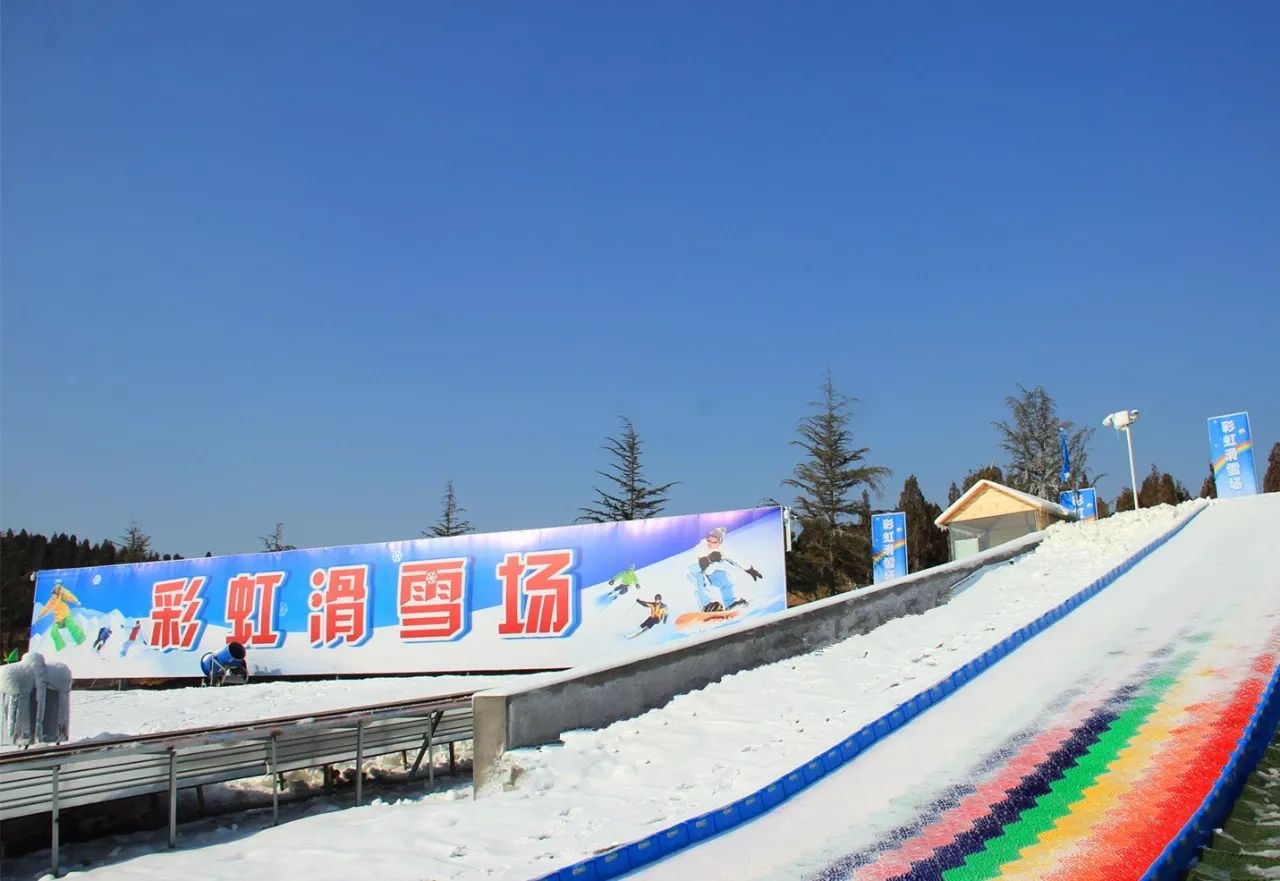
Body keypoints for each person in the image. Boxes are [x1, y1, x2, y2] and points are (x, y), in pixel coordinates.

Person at [687, 527, 764, 612]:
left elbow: (736, 559)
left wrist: (750, 569)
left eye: (713, 541)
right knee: (701, 582)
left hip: (710, 573)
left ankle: (730, 603)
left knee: (724, 577)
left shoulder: (723, 550)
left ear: (720, 541)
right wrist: (709, 559)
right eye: (708, 540)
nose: (710, 543)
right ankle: (707, 605)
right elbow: (694, 566)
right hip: (695, 572)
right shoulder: (701, 546)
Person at [36, 581, 85, 651]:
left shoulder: (63, 593)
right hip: (58, 619)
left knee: (72, 627)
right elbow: (46, 608)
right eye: (57, 587)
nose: (58, 588)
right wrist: (39, 616)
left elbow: (69, 595)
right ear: (55, 587)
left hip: (66, 616)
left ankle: (81, 640)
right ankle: (61, 647)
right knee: (53, 632)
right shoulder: (53, 598)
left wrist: (76, 601)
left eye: (59, 587)